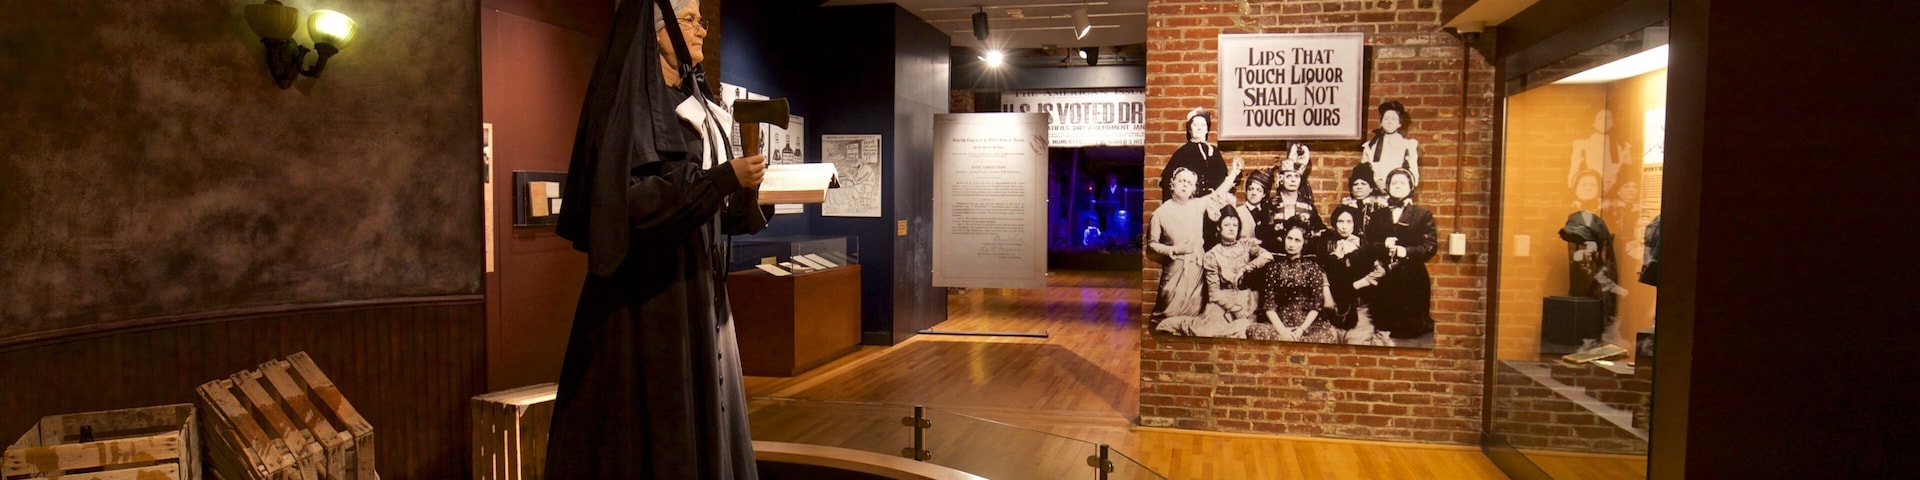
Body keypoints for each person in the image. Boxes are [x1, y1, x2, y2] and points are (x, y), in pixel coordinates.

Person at [547, 0, 770, 478]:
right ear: (656, 31)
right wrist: (719, 181)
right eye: (689, 20)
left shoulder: (694, 101)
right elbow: (631, 203)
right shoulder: (629, 106)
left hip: (697, 289)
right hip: (649, 303)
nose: (701, 32)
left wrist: (743, 194)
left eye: (701, 20)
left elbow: (703, 203)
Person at [1149, 162, 1241, 321]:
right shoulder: (1160, 213)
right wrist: (1174, 249)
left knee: (1193, 312)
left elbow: (1218, 193)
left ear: (1193, 189)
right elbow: (1152, 244)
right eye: (1181, 181)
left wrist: (1233, 174)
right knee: (1167, 312)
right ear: (1172, 185)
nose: (1185, 185)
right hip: (1175, 267)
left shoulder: (1197, 206)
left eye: (1189, 183)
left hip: (1197, 267)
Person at [1156, 213, 1272, 338]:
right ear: (1219, 228)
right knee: (1209, 332)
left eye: (1235, 225)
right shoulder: (1212, 255)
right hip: (1223, 301)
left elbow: (1267, 256)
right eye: (1227, 225)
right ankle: (1181, 323)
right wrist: (1234, 308)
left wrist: (1245, 268)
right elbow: (1214, 293)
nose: (1232, 228)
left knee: (1244, 331)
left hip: (1247, 298)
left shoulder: (1246, 245)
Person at [1363, 168, 1437, 343]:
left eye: (1402, 183)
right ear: (1387, 187)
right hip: (1384, 280)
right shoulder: (1377, 215)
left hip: (1412, 281)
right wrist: (1383, 246)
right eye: (1394, 183)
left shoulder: (1422, 215)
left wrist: (1407, 251)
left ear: (1411, 187)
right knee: (1382, 329)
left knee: (1408, 332)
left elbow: (1430, 246)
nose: (1397, 186)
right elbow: (1368, 246)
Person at [1248, 225, 1336, 342]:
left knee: (1325, 338)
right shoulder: (1274, 268)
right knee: (1252, 330)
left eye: (1297, 240)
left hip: (1307, 325)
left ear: (1304, 243)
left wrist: (1301, 329)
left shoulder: (1312, 268)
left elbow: (1317, 304)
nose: (1291, 244)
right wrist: (1283, 331)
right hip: (1280, 324)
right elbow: (1269, 304)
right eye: (1289, 238)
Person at [1321, 205, 1392, 346]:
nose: (1344, 226)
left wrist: (1361, 283)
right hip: (1333, 303)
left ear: (1355, 224)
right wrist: (1326, 289)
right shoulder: (1325, 243)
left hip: (1358, 305)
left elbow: (1381, 270)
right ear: (1335, 223)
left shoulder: (1364, 245)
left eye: (1349, 222)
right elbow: (1321, 268)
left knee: (1357, 341)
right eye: (1341, 222)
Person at [1360, 101, 1421, 190]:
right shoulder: (1370, 146)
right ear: (1381, 122)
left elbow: (1414, 175)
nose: (1389, 122)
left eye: (1393, 119)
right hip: (1375, 192)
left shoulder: (1408, 145)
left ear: (1399, 123)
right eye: (1386, 119)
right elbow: (1363, 172)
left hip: (1400, 193)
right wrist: (1377, 182)